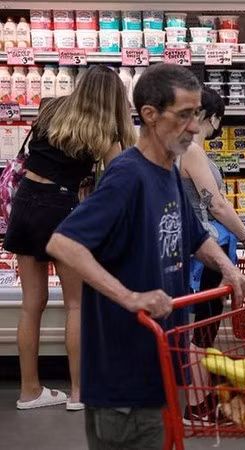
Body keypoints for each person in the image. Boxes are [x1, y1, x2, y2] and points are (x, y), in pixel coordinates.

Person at [46, 63, 245, 449]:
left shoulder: (168, 171)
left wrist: (228, 269)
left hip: (161, 362)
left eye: (196, 114)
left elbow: (194, 236)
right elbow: (63, 244)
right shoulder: (128, 175)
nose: (195, 126)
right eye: (185, 115)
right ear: (149, 115)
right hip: (124, 377)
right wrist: (131, 297)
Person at [5, 65, 137, 412]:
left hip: (25, 203)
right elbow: (120, 178)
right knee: (76, 304)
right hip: (62, 209)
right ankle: (79, 392)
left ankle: (29, 391)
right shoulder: (105, 128)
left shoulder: (50, 108)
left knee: (32, 303)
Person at [178, 86, 245, 424]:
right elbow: (214, 203)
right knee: (203, 328)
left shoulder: (175, 148)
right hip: (205, 253)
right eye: (218, 122)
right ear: (211, 117)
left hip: (196, 249)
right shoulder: (192, 150)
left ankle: (201, 396)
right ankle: (199, 407)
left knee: (199, 327)